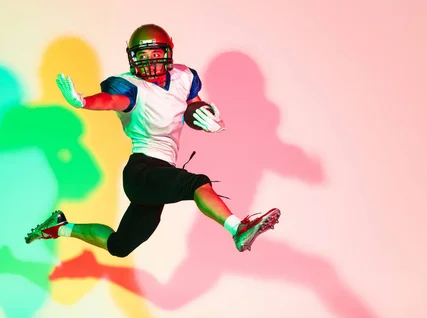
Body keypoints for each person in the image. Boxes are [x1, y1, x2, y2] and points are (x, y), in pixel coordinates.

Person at [25, 23, 280, 255]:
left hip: (159, 175)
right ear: (133, 58)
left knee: (120, 246)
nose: (149, 62)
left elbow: (194, 106)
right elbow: (112, 101)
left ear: (167, 53)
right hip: (142, 170)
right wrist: (84, 102)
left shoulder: (183, 77)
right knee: (197, 183)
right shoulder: (130, 85)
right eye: (142, 56)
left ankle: (59, 227)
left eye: (155, 54)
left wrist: (211, 120)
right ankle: (238, 229)